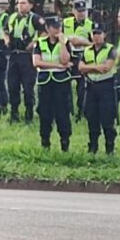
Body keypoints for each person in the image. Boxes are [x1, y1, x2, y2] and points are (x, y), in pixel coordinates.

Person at [33, 16, 73, 151]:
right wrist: (55, 65)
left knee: (62, 112)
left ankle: (65, 141)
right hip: (45, 81)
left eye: (59, 27)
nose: (57, 30)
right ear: (47, 29)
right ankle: (45, 141)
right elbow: (36, 62)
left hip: (61, 81)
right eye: (54, 27)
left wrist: (62, 43)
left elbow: (65, 60)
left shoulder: (65, 42)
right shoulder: (39, 43)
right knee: (44, 112)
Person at [78, 25, 117, 155]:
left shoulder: (111, 49)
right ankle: (92, 146)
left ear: (104, 35)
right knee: (92, 117)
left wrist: (88, 68)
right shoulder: (87, 50)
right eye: (94, 34)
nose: (96, 36)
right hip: (91, 87)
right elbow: (80, 68)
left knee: (107, 119)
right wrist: (96, 67)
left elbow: (106, 68)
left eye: (99, 33)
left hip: (106, 86)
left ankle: (109, 147)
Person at [7, 0, 44, 123]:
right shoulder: (12, 17)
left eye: (23, 3)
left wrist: (34, 43)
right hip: (13, 54)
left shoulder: (35, 18)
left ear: (31, 5)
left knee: (28, 86)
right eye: (19, 3)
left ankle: (29, 114)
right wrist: (6, 40)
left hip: (27, 56)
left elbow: (43, 33)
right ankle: (14, 113)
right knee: (12, 85)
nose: (20, 5)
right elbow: (5, 30)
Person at [63, 0, 93, 121]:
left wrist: (82, 42)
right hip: (68, 56)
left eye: (83, 11)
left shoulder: (90, 25)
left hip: (83, 57)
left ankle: (81, 112)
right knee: (66, 86)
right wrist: (68, 40)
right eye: (79, 11)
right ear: (73, 11)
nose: (81, 14)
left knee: (82, 88)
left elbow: (95, 44)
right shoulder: (65, 23)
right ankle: (68, 111)